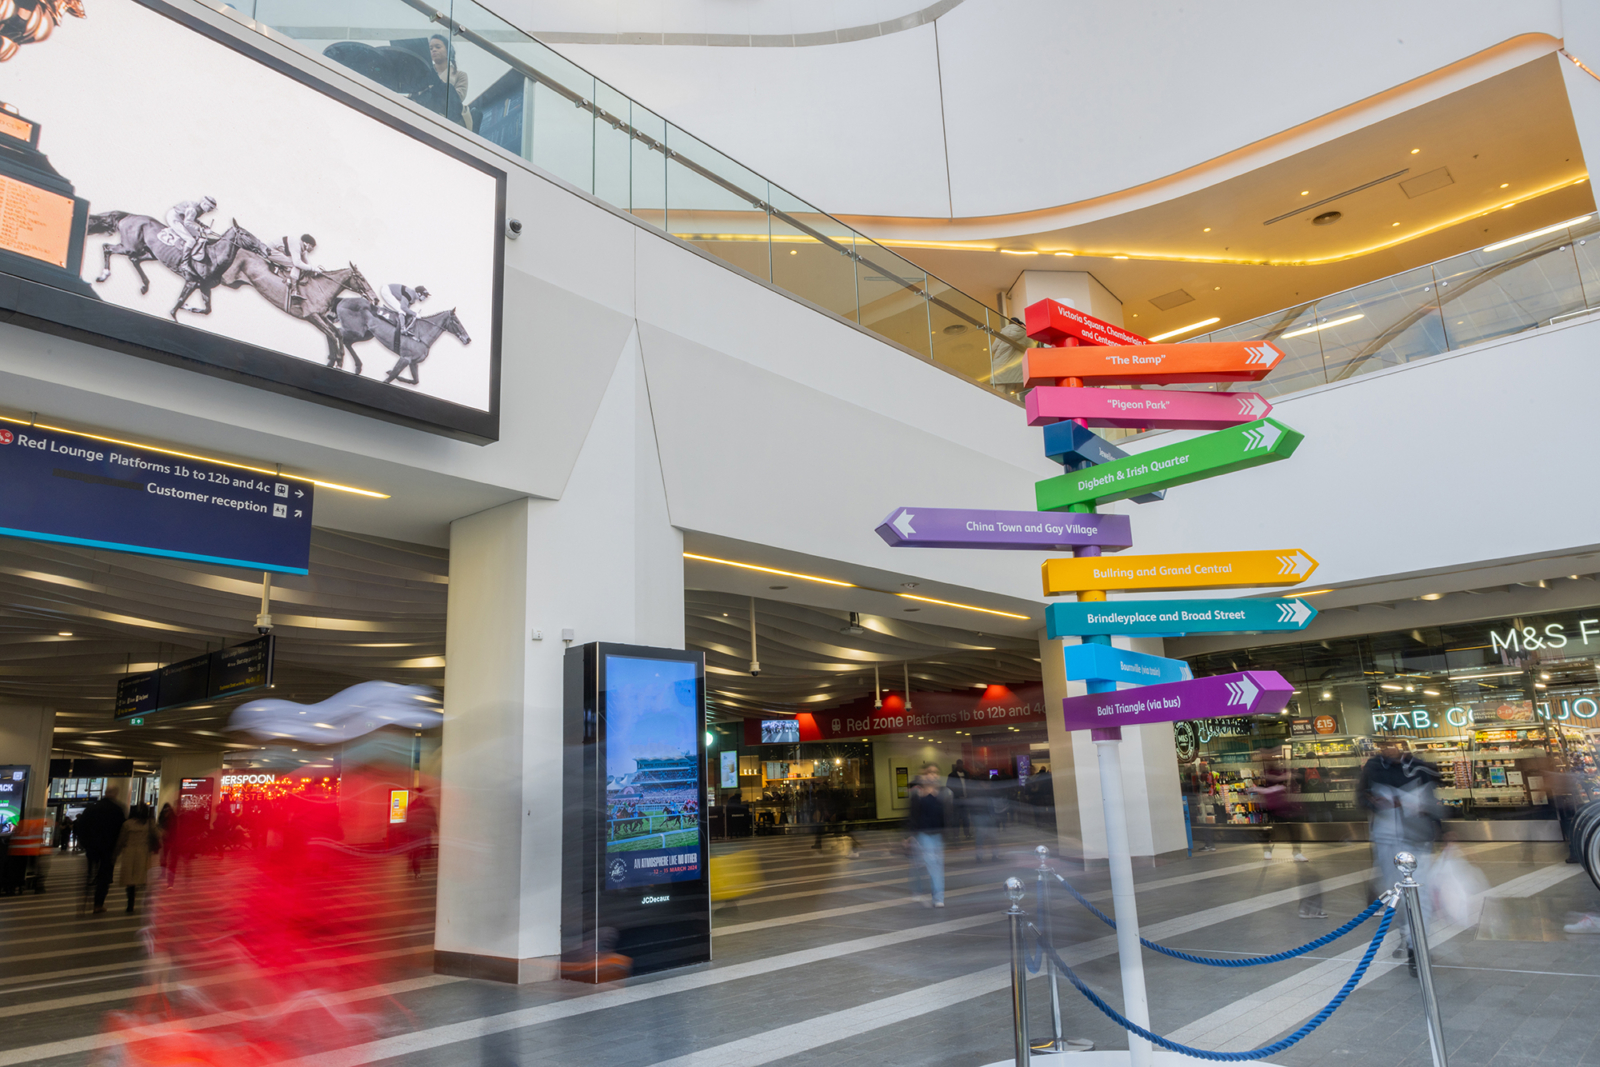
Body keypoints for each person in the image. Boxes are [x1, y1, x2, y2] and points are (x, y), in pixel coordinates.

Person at [1357, 738, 1441, 974]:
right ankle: (1408, 934)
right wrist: (1376, 803)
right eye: (1385, 743)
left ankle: (1417, 948)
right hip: (1386, 840)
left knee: (1419, 894)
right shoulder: (1373, 768)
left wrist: (1439, 825)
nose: (1390, 748)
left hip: (1416, 840)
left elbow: (1432, 802)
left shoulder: (1419, 767)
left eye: (1394, 743)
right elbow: (1361, 797)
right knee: (1398, 894)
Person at [75, 787, 126, 914]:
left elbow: (81, 826)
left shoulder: (92, 807)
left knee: (89, 873)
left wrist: (84, 842)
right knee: (104, 877)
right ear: (115, 794)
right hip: (108, 848)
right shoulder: (117, 809)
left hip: (92, 847)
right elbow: (121, 830)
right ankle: (98, 904)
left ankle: (83, 903)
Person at [905, 763, 948, 907]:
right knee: (932, 864)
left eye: (936, 772)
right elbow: (913, 815)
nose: (933, 775)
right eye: (930, 772)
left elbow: (946, 815)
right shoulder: (918, 794)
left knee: (936, 865)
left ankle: (936, 895)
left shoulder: (942, 793)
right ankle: (937, 897)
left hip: (937, 835)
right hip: (924, 834)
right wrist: (911, 835)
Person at [115, 803, 159, 913]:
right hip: (143, 853)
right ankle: (147, 902)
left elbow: (121, 840)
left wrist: (115, 853)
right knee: (144, 879)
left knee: (130, 881)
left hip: (129, 853)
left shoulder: (127, 824)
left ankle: (130, 903)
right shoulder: (149, 824)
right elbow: (157, 836)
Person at [263, 233, 322, 311]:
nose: (313, 249)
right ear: (307, 244)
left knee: (298, 264)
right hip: (269, 251)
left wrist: (314, 270)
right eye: (312, 246)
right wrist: (313, 269)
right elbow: (297, 263)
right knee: (295, 264)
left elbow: (306, 263)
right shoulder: (296, 245)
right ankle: (294, 290)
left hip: (278, 252)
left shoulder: (303, 250)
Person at [428, 34, 473, 131]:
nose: (433, 50)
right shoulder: (424, 74)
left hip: (449, 121)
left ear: (448, 51)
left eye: (438, 47)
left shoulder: (460, 75)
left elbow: (457, 98)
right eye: (431, 48)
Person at [164, 196, 217, 275]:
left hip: (180, 217)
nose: (210, 211)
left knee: (197, 236)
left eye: (211, 209)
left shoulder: (199, 208)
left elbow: (193, 218)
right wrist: (201, 229)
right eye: (210, 208)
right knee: (191, 240)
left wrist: (203, 225)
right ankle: (184, 263)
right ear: (205, 204)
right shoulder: (193, 209)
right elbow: (187, 223)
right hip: (174, 218)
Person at [381, 283, 430, 348]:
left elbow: (407, 310)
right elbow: (403, 307)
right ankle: (402, 329)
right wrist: (415, 314)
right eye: (424, 295)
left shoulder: (412, 299)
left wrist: (412, 315)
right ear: (419, 293)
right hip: (387, 291)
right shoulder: (410, 294)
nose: (425, 298)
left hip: (390, 291)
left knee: (403, 312)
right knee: (401, 311)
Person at [947, 760, 971, 840]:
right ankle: (956, 835)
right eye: (959, 764)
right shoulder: (952, 775)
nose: (960, 765)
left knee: (966, 818)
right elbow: (948, 786)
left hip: (965, 799)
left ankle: (967, 834)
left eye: (961, 764)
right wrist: (956, 792)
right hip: (957, 799)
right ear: (957, 765)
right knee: (956, 818)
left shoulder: (966, 774)